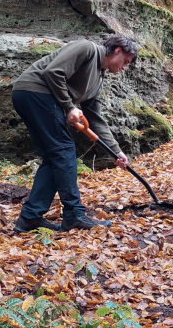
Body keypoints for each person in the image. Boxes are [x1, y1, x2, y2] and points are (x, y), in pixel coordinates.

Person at [11, 35, 136, 233]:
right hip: (35, 91)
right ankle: (74, 214)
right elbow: (53, 72)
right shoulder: (87, 48)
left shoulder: (97, 79)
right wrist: (69, 107)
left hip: (33, 96)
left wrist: (115, 151)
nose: (124, 67)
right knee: (64, 150)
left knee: (54, 158)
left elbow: (94, 119)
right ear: (118, 50)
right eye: (126, 62)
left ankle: (30, 219)